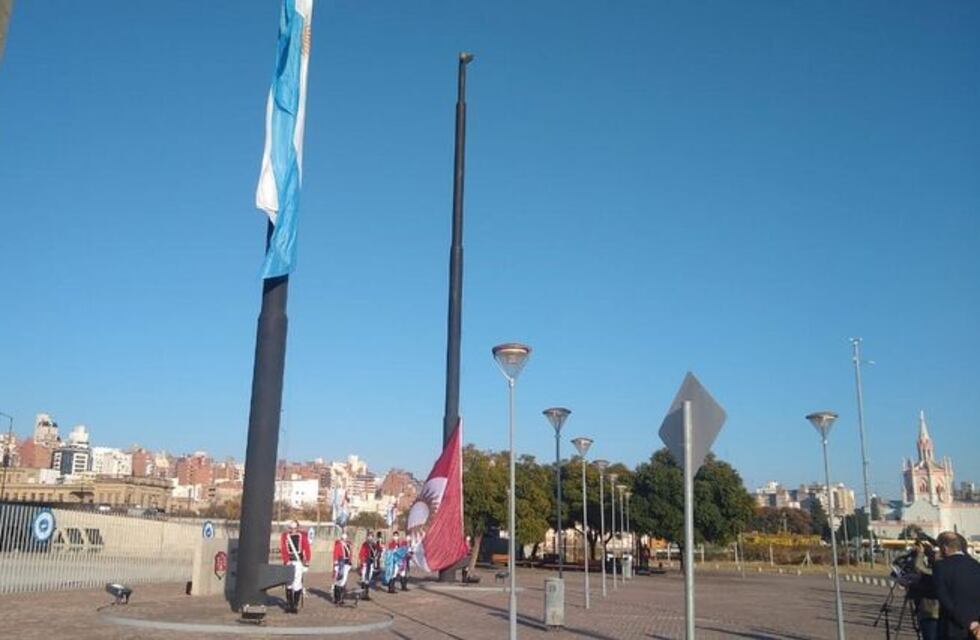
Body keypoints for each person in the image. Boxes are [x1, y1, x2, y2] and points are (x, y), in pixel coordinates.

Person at [932, 531, 980, 639]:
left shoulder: (941, 567)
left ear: (944, 548)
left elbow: (944, 598)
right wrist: (975, 624)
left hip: (952, 628)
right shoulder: (976, 565)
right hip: (976, 629)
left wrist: (966, 622)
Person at [909, 539, 940, 640]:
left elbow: (919, 567)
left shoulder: (938, 570)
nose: (932, 556)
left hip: (932, 612)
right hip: (929, 611)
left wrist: (921, 553)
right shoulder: (933, 568)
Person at [278, 520, 311, 614]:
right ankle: (289, 604)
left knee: (297, 583)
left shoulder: (302, 536)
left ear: (297, 528)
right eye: (291, 528)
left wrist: (307, 560)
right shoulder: (285, 536)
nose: (293, 530)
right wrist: (286, 561)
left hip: (298, 561)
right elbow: (283, 549)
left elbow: (307, 548)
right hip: (289, 561)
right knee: (288, 583)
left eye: (295, 528)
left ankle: (294, 605)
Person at [332, 530, 353, 605]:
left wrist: (350, 563)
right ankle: (337, 598)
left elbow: (350, 554)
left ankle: (341, 597)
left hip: (346, 564)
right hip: (340, 563)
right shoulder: (338, 545)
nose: (345, 539)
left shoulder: (347, 545)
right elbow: (335, 554)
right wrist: (336, 564)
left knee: (344, 581)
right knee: (339, 581)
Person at [358, 531, 378, 600]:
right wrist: (363, 561)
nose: (370, 537)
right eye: (369, 536)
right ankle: (362, 594)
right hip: (366, 563)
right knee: (364, 577)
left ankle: (366, 593)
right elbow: (361, 553)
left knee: (369, 578)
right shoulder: (365, 544)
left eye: (371, 536)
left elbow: (376, 552)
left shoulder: (374, 545)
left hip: (371, 562)